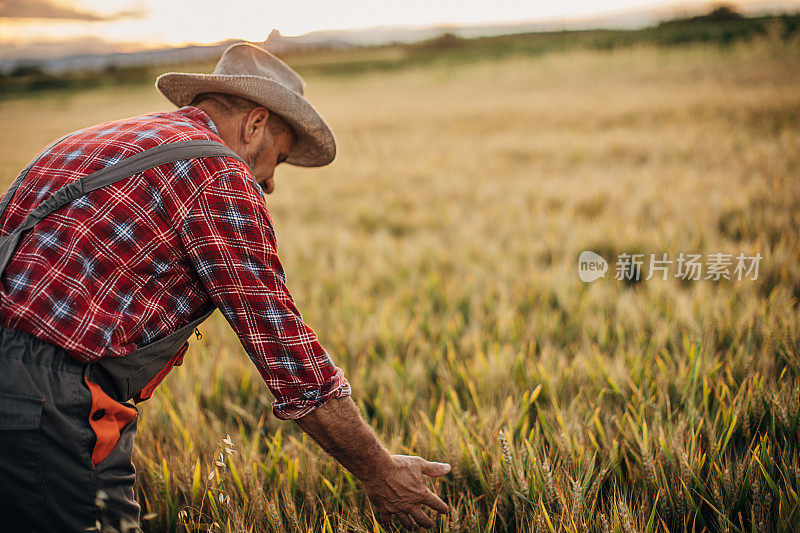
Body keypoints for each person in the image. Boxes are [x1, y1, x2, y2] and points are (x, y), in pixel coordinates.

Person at [0, 42, 449, 532]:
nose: (271, 182)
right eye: (277, 157)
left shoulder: (93, 140)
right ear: (254, 123)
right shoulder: (217, 174)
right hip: (48, 399)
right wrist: (379, 470)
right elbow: (286, 351)